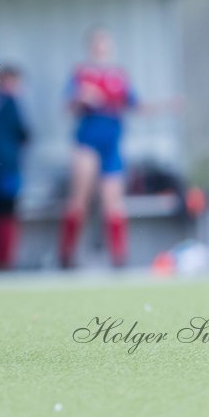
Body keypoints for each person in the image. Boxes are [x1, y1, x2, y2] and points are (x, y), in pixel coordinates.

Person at [59, 27, 137, 269]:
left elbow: (134, 103)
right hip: (87, 143)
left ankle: (119, 258)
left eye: (106, 43)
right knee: (79, 199)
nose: (102, 47)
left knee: (114, 202)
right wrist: (82, 98)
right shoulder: (81, 74)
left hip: (112, 144)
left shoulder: (119, 74)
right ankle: (67, 255)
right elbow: (68, 104)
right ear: (91, 46)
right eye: (98, 43)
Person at [0, 65, 30, 270]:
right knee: (7, 211)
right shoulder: (10, 101)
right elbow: (24, 133)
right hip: (7, 166)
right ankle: (4, 260)